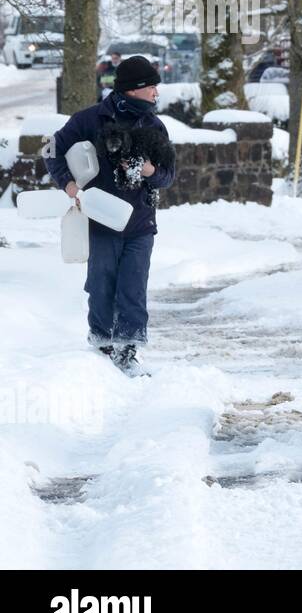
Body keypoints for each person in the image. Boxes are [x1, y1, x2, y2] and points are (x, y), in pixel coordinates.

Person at [45, 56, 176, 376]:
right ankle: (102, 346)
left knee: (133, 287)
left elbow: (169, 175)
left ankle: (128, 349)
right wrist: (69, 184)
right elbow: (51, 149)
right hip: (101, 219)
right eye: (151, 86)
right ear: (134, 90)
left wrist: (150, 171)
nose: (156, 92)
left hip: (141, 221)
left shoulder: (155, 126)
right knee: (101, 284)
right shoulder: (91, 119)